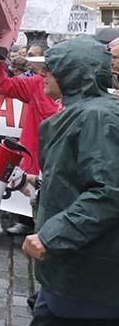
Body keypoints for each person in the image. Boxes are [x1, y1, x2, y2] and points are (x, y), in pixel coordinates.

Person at [21, 35, 119, 324]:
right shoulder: (85, 113)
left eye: (50, 69)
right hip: (67, 274)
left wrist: (51, 236)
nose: (42, 75)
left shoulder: (97, 117)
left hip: (87, 283)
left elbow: (108, 192)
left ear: (73, 73)